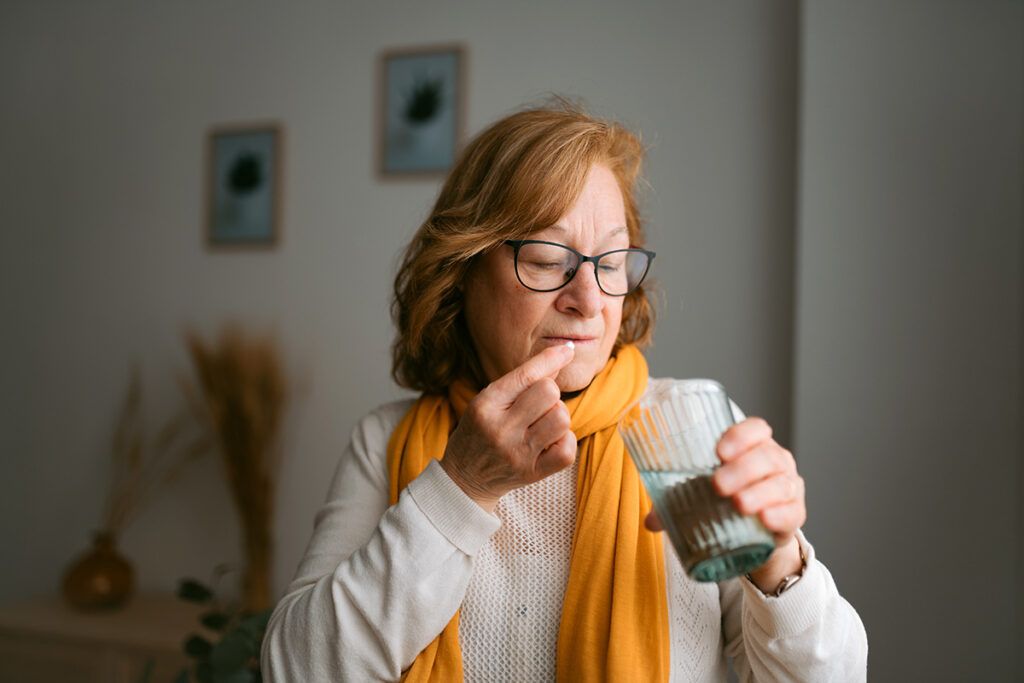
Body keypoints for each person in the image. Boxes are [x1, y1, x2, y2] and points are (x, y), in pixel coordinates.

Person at [261, 104, 868, 682]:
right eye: (550, 258)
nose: (589, 298)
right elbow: (295, 670)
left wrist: (779, 564)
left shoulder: (687, 426)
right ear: (462, 269)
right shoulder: (386, 441)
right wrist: (462, 487)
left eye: (610, 261)